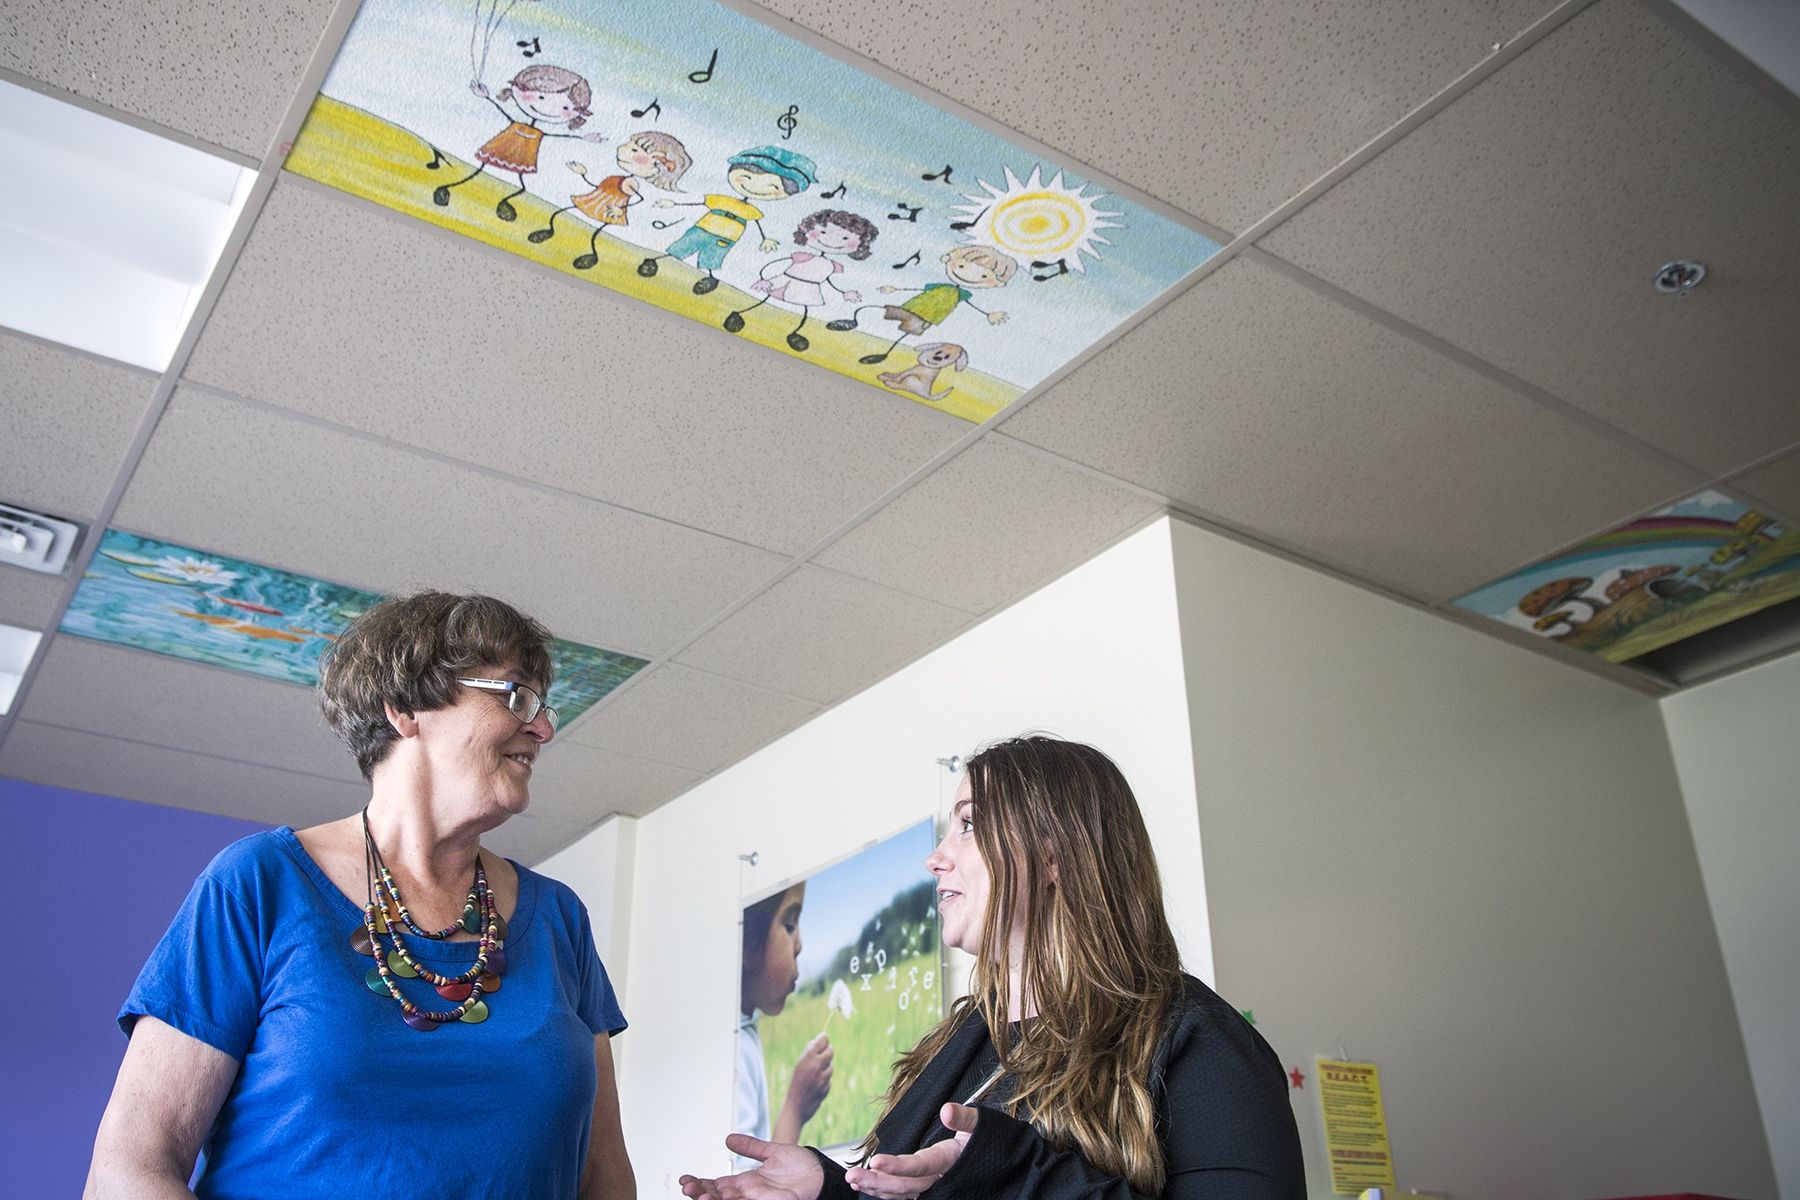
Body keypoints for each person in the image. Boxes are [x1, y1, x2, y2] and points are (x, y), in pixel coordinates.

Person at [84, 592, 634, 1200]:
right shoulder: (259, 883)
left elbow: (605, 1181)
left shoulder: (559, 917)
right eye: (514, 695)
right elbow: (129, 1171)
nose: (543, 727)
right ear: (405, 708)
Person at [681, 736, 1304, 1200]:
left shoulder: (1199, 1043)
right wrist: (832, 1190)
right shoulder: (956, 1047)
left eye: (970, 825)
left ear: (1055, 855)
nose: (935, 858)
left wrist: (1010, 1173)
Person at [737, 883, 834, 1152]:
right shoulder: (735, 1048)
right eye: (789, 924)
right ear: (745, 943)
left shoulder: (745, 1029)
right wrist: (795, 1108)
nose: (799, 945)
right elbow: (748, 1186)